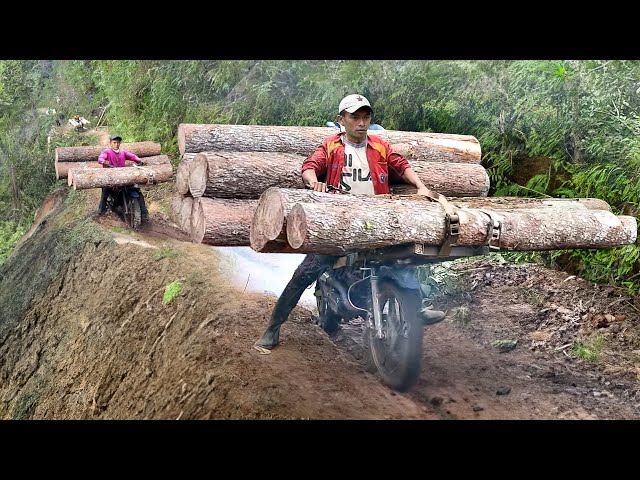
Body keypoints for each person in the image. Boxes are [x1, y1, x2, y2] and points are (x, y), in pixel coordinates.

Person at [255, 94, 446, 351]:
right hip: (338, 222)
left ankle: (415, 309)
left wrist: (421, 187)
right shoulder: (332, 146)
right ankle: (273, 328)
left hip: (376, 220)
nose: (361, 122)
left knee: (404, 261)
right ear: (341, 120)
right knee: (305, 273)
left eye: (366, 117)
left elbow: (400, 165)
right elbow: (310, 166)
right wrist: (314, 182)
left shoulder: (379, 146)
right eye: (354, 117)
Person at [97, 135, 149, 220]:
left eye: (118, 142)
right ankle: (101, 211)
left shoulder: (123, 152)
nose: (116, 144)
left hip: (123, 176)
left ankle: (144, 213)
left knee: (137, 191)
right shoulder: (107, 152)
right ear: (111, 143)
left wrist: (139, 160)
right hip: (110, 176)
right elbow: (100, 158)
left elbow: (132, 156)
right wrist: (103, 161)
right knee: (105, 192)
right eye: (114, 142)